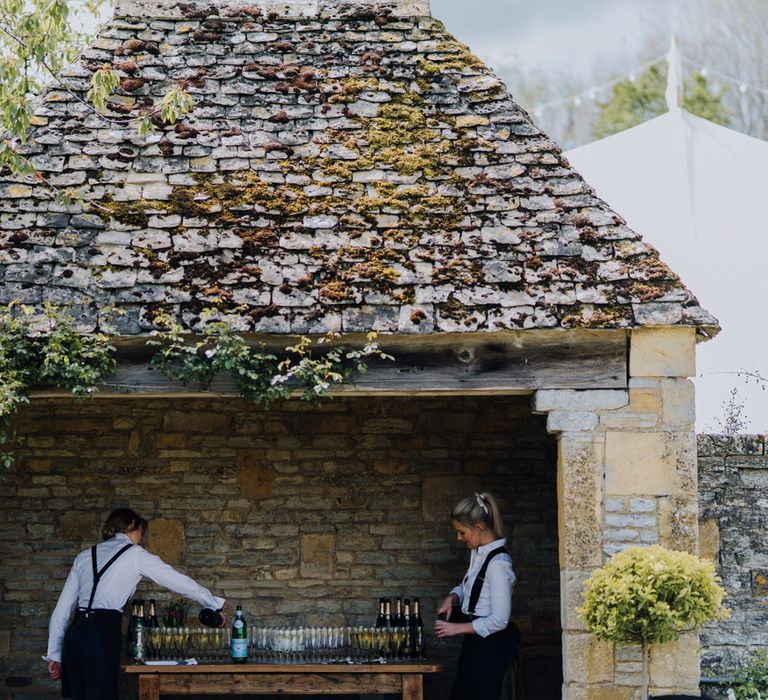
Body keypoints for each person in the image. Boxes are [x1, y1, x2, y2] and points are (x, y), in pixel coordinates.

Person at [44, 507, 226, 700]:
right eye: (141, 531)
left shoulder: (84, 556)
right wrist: (213, 604)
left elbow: (62, 609)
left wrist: (54, 654)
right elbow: (178, 582)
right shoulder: (135, 554)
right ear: (130, 526)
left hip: (75, 636)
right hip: (101, 633)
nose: (141, 537)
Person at [435, 492, 518, 700]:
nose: (459, 538)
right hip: (475, 643)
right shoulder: (479, 553)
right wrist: (452, 598)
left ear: (479, 527)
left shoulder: (499, 565)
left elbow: (499, 620)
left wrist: (456, 628)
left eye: (462, 532)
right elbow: (470, 588)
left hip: (491, 647)